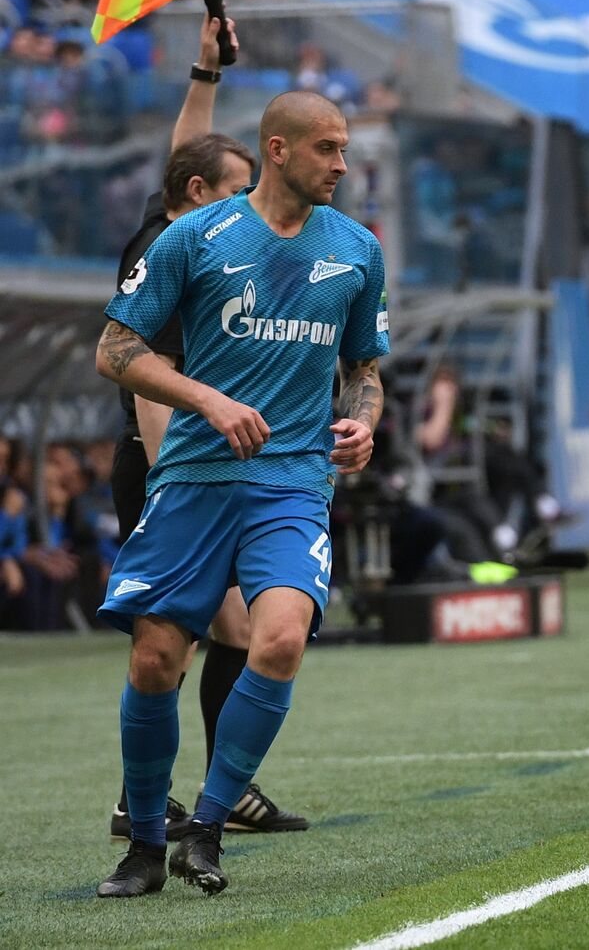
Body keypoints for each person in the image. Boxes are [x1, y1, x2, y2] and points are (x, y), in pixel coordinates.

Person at [92, 89, 390, 897]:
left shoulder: (358, 250)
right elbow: (116, 351)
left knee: (281, 640)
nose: (342, 163)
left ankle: (209, 829)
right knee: (157, 659)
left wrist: (362, 422)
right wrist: (209, 399)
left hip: (291, 480)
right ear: (279, 150)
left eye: (345, 148)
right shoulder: (196, 237)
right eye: (328, 148)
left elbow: (364, 369)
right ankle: (145, 847)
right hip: (192, 475)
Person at [100, 13, 308, 847]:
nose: (249, 198)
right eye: (234, 187)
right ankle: (152, 803)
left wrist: (205, 69)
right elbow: (142, 373)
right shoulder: (185, 246)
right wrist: (168, 477)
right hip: (172, 464)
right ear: (199, 198)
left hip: (214, 461)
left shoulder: (191, 221)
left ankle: (218, 789)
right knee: (179, 641)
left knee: (224, 632)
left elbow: (189, 155)